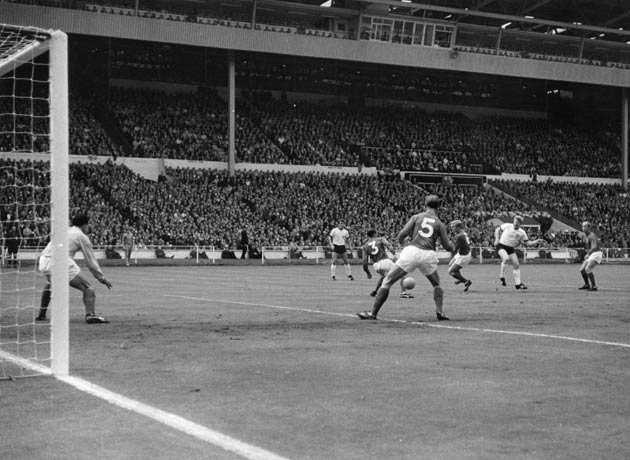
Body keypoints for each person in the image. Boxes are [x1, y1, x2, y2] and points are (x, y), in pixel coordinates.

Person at [357, 195, 455, 321]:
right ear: (439, 206)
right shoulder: (440, 223)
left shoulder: (417, 217)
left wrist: (402, 243)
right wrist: (456, 246)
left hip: (412, 251)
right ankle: (440, 312)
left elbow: (402, 234)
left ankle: (373, 314)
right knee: (437, 284)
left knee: (387, 281)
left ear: (425, 204)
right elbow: (447, 245)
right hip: (428, 254)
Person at [36, 214, 112, 324]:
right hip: (60, 260)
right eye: (88, 225)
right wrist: (101, 278)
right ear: (85, 225)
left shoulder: (65, 230)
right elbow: (91, 262)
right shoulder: (81, 236)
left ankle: (42, 314)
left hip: (43, 260)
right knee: (88, 287)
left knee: (51, 284)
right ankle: (90, 315)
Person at [494, 215, 543, 290]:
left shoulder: (522, 232)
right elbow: (497, 230)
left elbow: (527, 243)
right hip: (501, 246)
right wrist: (497, 239)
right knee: (506, 259)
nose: (516, 224)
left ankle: (518, 284)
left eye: (518, 223)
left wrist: (535, 241)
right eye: (515, 222)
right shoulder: (507, 225)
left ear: (520, 224)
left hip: (510, 248)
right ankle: (502, 276)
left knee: (516, 264)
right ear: (513, 221)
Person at [361, 229, 412, 298]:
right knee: (402, 274)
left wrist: (368, 273)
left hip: (376, 266)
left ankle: (375, 291)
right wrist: (394, 253)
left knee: (385, 277)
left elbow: (364, 262)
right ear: (374, 234)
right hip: (385, 262)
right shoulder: (381, 239)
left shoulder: (365, 246)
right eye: (376, 233)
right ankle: (403, 293)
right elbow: (388, 244)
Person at [447, 220, 472, 292]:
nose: (452, 229)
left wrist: (449, 245)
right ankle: (460, 279)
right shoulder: (463, 233)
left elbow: (454, 249)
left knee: (450, 271)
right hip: (462, 253)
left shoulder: (459, 236)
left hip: (464, 256)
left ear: (458, 227)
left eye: (453, 227)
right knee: (450, 265)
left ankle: (466, 281)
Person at [578, 221, 602, 291]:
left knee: (587, 269)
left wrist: (588, 254)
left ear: (589, 227)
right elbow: (587, 246)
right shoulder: (585, 236)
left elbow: (594, 247)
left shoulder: (592, 235)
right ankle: (587, 285)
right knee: (582, 270)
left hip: (596, 253)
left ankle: (594, 286)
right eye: (582, 226)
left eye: (585, 226)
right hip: (591, 253)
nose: (583, 228)